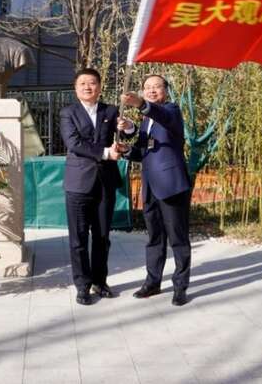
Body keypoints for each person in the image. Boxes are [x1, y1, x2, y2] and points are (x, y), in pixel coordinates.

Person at [117, 74, 191, 306]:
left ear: (165, 90)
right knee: (154, 239)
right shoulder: (146, 122)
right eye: (147, 87)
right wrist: (126, 149)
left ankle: (180, 287)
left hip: (171, 186)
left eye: (156, 87)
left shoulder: (172, 111)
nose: (151, 90)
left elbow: (163, 116)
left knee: (178, 239)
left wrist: (140, 103)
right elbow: (143, 152)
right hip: (150, 187)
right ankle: (153, 282)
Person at [60, 68, 124, 305]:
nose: (88, 87)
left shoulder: (111, 111)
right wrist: (106, 153)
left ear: (99, 87)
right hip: (78, 183)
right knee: (78, 239)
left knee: (102, 236)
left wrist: (127, 129)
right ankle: (82, 285)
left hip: (105, 182)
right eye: (83, 83)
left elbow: (122, 137)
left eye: (92, 83)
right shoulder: (68, 113)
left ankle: (100, 281)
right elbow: (74, 143)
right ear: (75, 88)